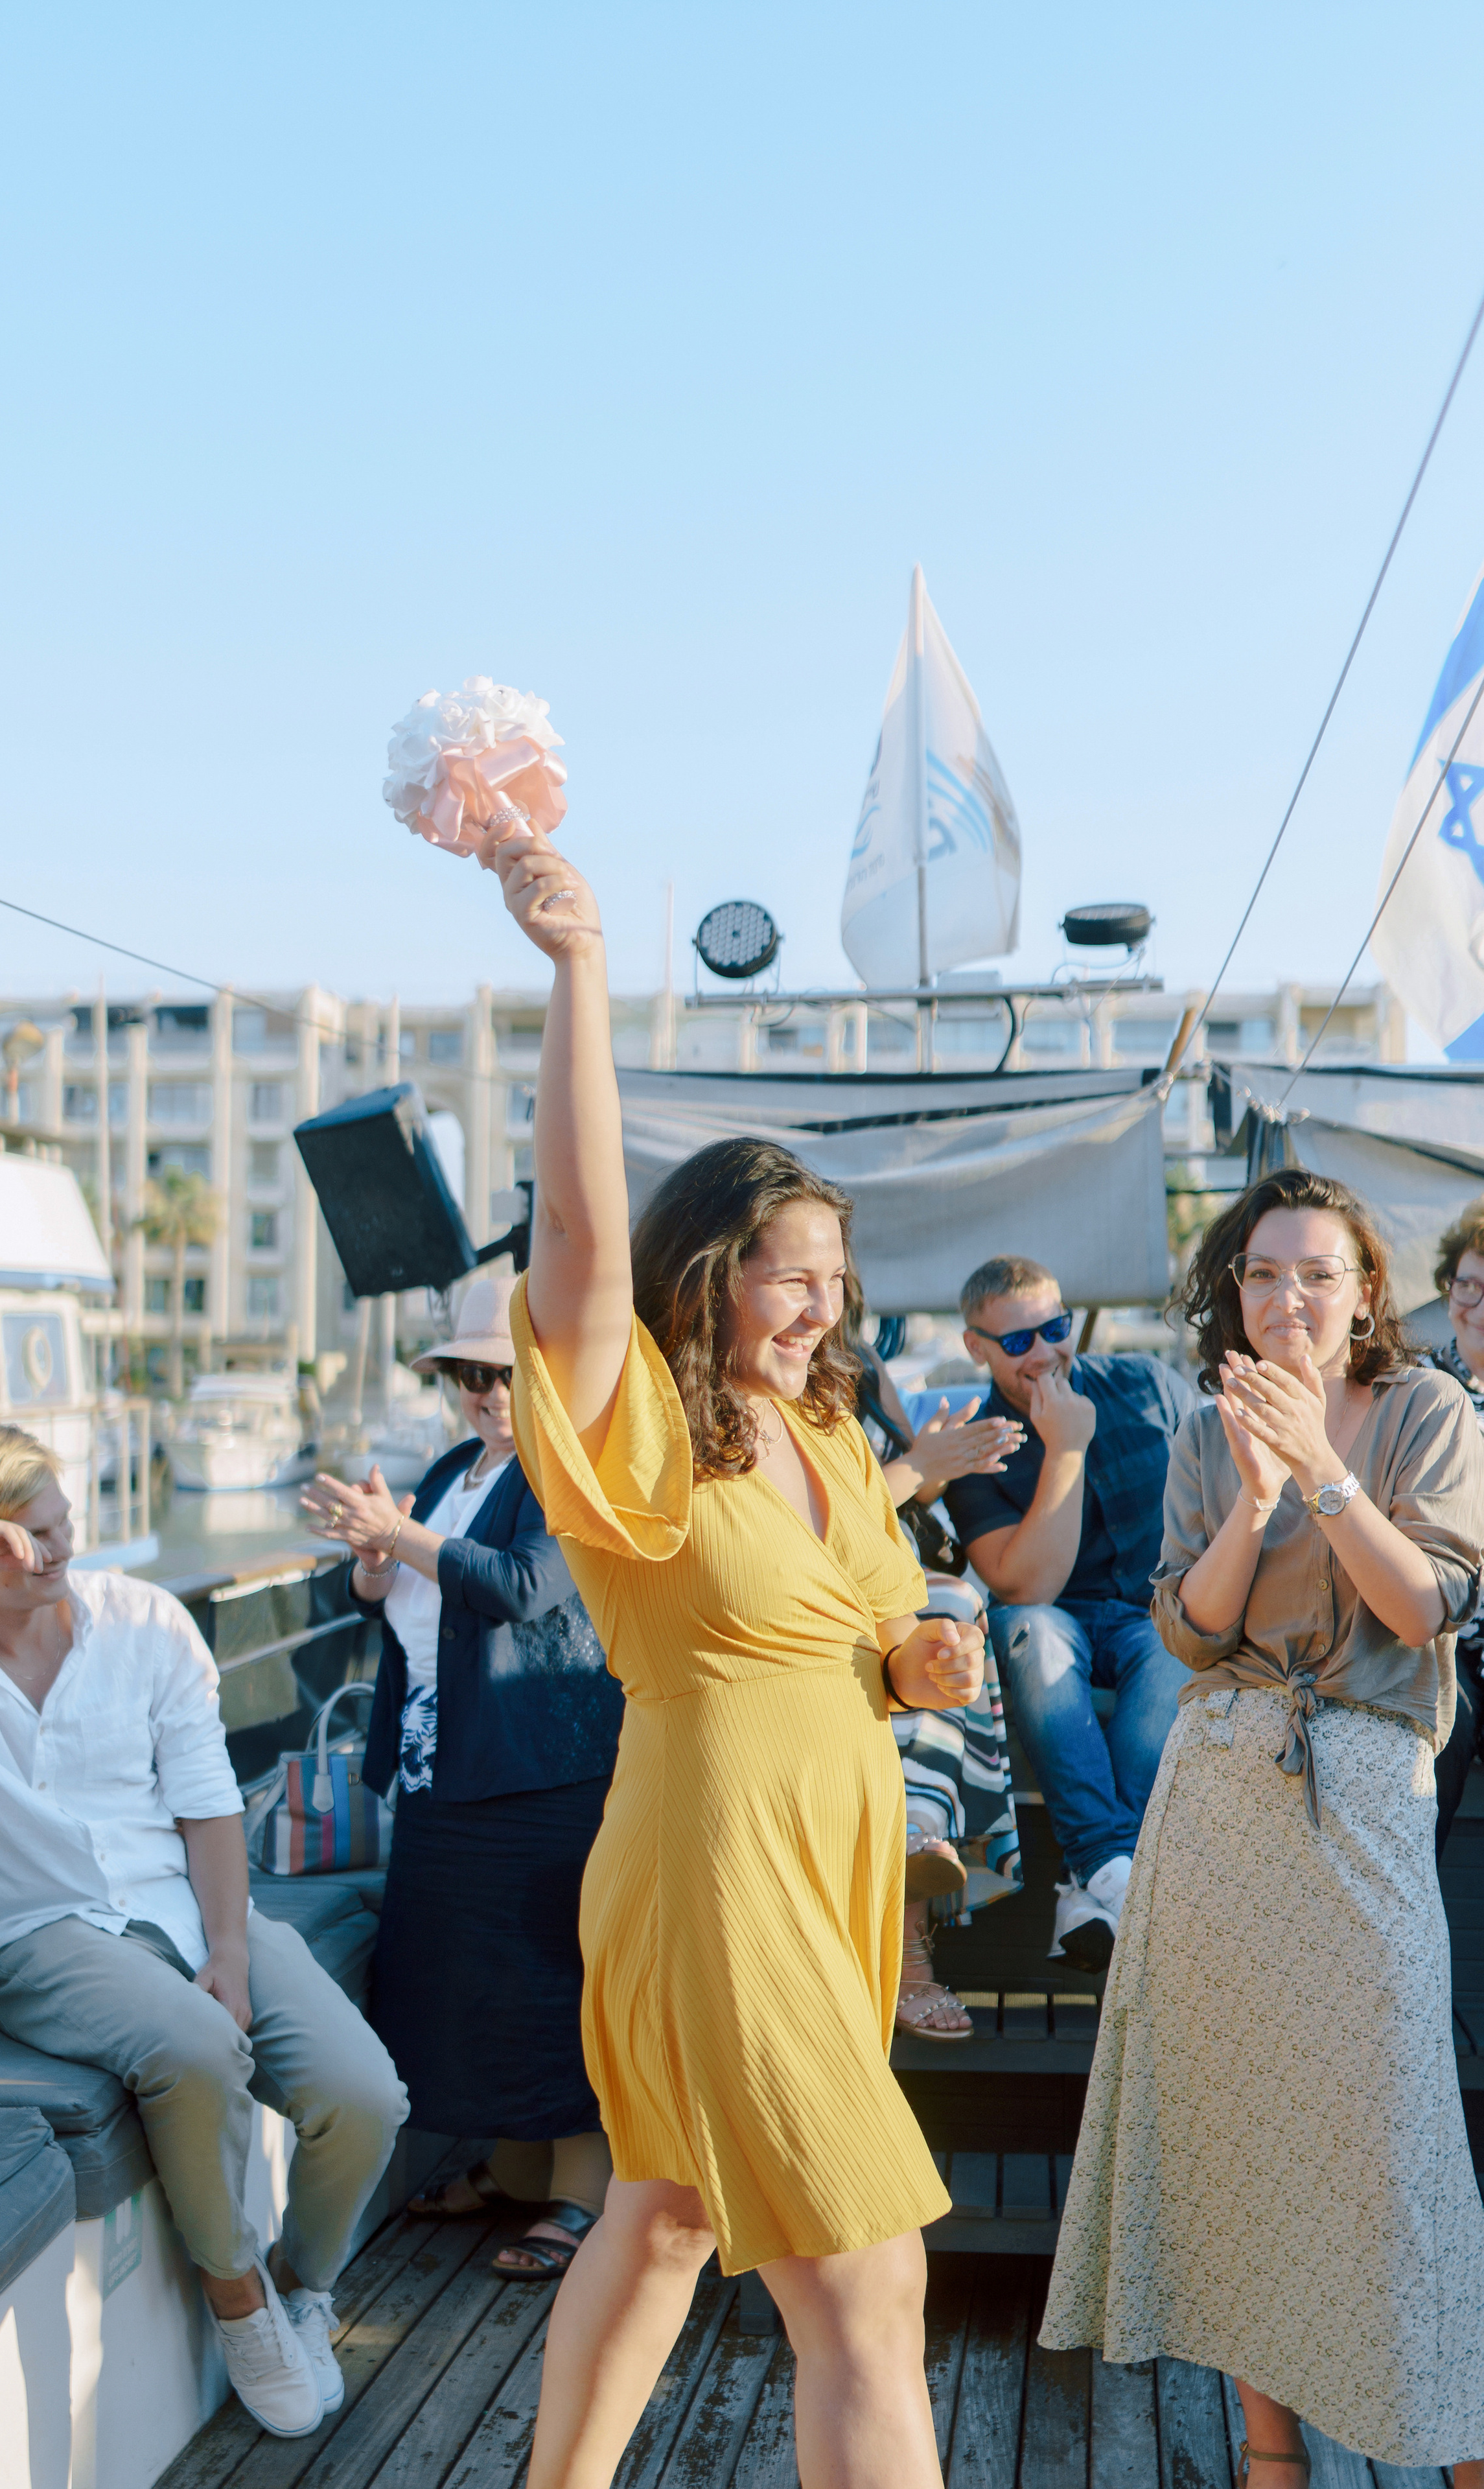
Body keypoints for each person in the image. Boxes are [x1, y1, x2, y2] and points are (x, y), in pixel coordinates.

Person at [469, 815, 986, 2489]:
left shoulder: (826, 1437)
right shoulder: (640, 1433)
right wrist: (581, 974)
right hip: (718, 1868)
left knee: (671, 2210)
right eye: (789, 1272)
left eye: (838, 1274)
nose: (823, 1303)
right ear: (711, 1271)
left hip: (824, 1867)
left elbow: (882, 1623)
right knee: (869, 2270)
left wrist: (920, 1669)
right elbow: (580, 1246)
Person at [0, 1417, 408, 2442]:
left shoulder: (143, 1620)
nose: (58, 1553)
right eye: (26, 1539)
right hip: (35, 1936)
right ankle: (240, 2312)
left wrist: (228, 1954)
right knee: (194, 2049)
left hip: (186, 1906)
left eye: (62, 1524)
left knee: (366, 2097)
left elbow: (208, 1801)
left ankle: (298, 2287)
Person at [1041, 1167, 1484, 2484]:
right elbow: (1188, 1629)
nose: (1285, 1296)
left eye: (1314, 1273)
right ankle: (1267, 2453)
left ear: (1362, 1297)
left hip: (1361, 1787)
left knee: (1397, 2148)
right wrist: (1248, 1491)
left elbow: (1423, 1611)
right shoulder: (1197, 1426)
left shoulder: (1425, 1410)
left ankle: (1457, 2444)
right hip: (1221, 1788)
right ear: (1228, 1295)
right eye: (1259, 1273)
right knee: (1238, 2141)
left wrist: (1316, 1474)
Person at [299, 1271, 624, 2282]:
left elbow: (523, 1589)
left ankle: (578, 2198)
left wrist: (399, 1536)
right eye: (467, 1377)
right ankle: (508, 2171)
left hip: (541, 1777)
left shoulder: (576, 1473)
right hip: (444, 1771)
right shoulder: (452, 1468)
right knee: (456, 1986)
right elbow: (396, 1595)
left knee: (548, 1989)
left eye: (504, 1375)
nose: (485, 1396)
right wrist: (369, 1562)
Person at [942, 1255, 1194, 1969]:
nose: (1046, 1352)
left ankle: (1095, 1883)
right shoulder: (978, 1445)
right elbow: (1023, 1588)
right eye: (1018, 1341)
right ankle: (1122, 1876)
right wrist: (1065, 1451)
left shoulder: (1147, 1383)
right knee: (1030, 1630)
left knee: (1170, 1645)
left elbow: (1215, 1500)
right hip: (1054, 1619)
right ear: (976, 1348)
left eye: (1055, 1328)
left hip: (1155, 1609)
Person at [844, 1283, 1025, 2042]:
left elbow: (902, 1499)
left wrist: (940, 1467)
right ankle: (911, 1927)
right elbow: (812, 1523)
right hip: (814, 1589)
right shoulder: (739, 1383)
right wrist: (920, 1465)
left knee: (951, 1620)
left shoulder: (856, 1360)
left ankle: (917, 1861)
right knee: (947, 1611)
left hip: (894, 1579)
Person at [1430, 1197, 1484, 1857]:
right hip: (1439, 1628)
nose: (1474, 1303)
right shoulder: (1420, 1388)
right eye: (1465, 1284)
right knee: (1445, 1724)